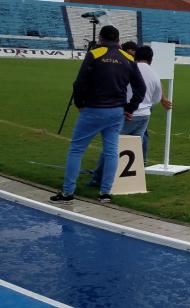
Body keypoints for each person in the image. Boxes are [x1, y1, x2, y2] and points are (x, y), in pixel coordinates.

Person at [49, 25, 146, 204]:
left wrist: (80, 104)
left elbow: (79, 83)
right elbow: (140, 88)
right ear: (119, 40)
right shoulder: (127, 57)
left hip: (93, 109)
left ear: (101, 38)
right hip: (116, 111)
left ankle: (68, 192)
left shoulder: (94, 53)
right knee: (111, 151)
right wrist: (130, 108)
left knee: (76, 149)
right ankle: (105, 193)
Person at [89, 46, 172, 186]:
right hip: (144, 115)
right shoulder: (154, 74)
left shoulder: (128, 68)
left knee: (111, 146)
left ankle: (98, 178)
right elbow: (157, 99)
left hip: (126, 112)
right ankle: (127, 179)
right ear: (151, 59)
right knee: (132, 147)